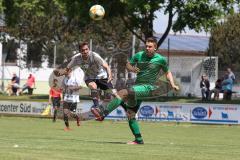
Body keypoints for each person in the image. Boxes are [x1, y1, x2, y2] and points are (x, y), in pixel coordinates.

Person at [91, 37, 179, 145]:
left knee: (122, 93)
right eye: (146, 46)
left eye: (150, 46)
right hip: (138, 87)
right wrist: (132, 68)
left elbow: (167, 72)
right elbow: (128, 64)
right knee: (131, 114)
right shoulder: (139, 55)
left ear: (155, 48)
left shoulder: (160, 59)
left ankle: (102, 113)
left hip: (149, 88)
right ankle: (138, 139)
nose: (147, 48)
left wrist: (173, 83)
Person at [54, 42, 115, 108]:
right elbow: (67, 69)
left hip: (101, 76)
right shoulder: (76, 58)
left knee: (114, 93)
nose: (85, 51)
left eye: (86, 49)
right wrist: (60, 73)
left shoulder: (94, 56)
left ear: (88, 49)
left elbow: (106, 66)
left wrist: (110, 75)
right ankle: (96, 106)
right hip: (89, 77)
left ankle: (126, 109)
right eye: (83, 50)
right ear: (80, 51)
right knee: (93, 85)